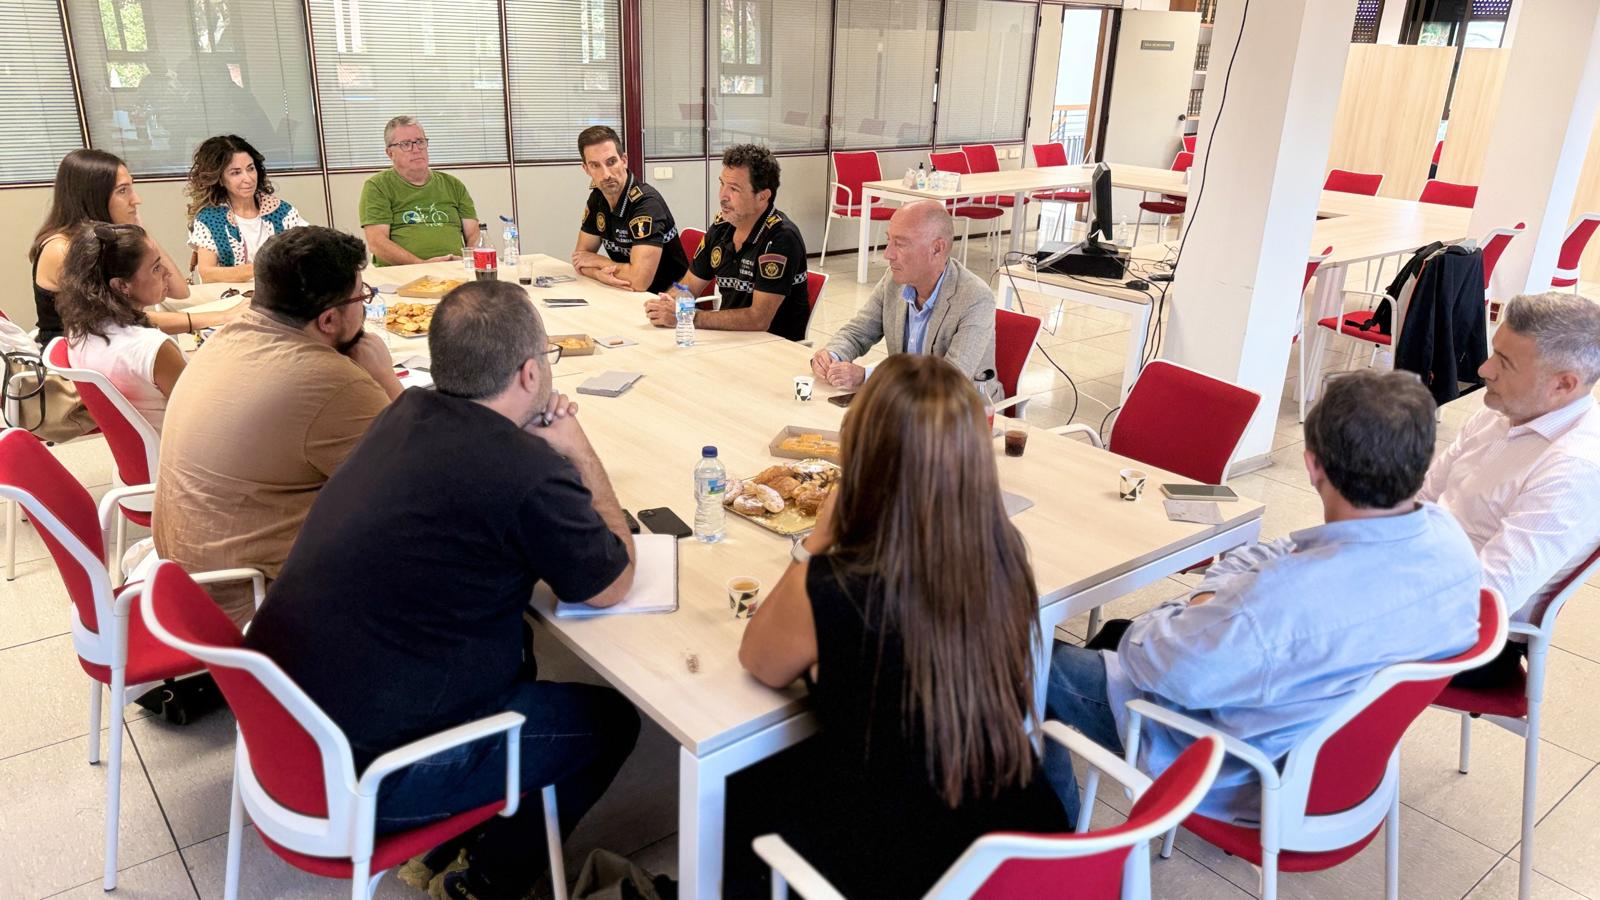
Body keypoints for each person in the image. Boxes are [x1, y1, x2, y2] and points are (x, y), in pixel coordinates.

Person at [244, 280, 639, 900]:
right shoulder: (527, 472)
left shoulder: (405, 411)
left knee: (518, 644)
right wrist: (578, 453)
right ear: (531, 374)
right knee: (611, 722)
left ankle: (463, 830)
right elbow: (612, 581)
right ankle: (488, 880)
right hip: (361, 779)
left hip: (286, 729)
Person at [1043, 370, 1482, 827]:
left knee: (1022, 662)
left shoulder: (1278, 604)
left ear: (1313, 466)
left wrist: (1197, 599)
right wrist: (1226, 588)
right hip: (1328, 764)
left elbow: (1148, 659)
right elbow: (1286, 549)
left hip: (1234, 767)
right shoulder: (1451, 546)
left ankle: (1053, 845)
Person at [727, 353, 1068, 898]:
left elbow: (759, 661)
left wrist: (815, 543)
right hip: (1021, 840)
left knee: (742, 786)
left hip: (907, 859)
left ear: (863, 456)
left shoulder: (837, 584)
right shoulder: (1006, 553)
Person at [154, 226, 402, 626]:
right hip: (256, 607)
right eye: (362, 297)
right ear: (329, 319)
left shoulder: (226, 337)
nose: (365, 307)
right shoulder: (332, 380)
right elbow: (424, 484)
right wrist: (386, 379)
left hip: (187, 584)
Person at [1419, 292, 1600, 687]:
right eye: (1494, 352)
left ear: (1563, 384)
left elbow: (1488, 599)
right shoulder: (1500, 412)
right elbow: (1423, 499)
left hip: (1471, 639)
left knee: (1298, 632)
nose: (1484, 369)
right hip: (1423, 582)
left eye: (1505, 363)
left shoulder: (1575, 468)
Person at [29, 149, 241, 346]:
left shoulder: (107, 239)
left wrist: (140, 231)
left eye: (131, 187)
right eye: (123, 190)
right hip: (76, 361)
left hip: (107, 346)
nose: (135, 199)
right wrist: (220, 316)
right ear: (93, 197)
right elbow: (122, 321)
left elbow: (178, 291)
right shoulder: (63, 249)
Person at [810, 200, 998, 399]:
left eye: (899, 244)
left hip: (961, 413)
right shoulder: (893, 281)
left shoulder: (976, 298)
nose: (887, 254)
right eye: (888, 240)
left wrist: (868, 376)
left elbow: (949, 381)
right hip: (904, 404)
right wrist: (832, 355)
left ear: (937, 248)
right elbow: (857, 333)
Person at [643, 144, 810, 341]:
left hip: (771, 348)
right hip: (729, 339)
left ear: (762, 197)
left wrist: (687, 315)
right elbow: (689, 286)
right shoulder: (722, 227)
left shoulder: (781, 238)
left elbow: (758, 319)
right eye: (722, 184)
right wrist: (668, 303)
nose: (723, 196)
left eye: (734, 189)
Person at [57, 223, 186, 431]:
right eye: (156, 268)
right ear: (121, 285)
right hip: (181, 454)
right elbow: (204, 414)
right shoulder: (153, 348)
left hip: (144, 453)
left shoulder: (79, 330)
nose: (167, 273)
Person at [571, 125, 689, 293]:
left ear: (624, 160)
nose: (606, 175)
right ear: (586, 169)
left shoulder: (647, 204)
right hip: (625, 292)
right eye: (595, 165)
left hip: (666, 301)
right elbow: (580, 259)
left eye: (611, 162)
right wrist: (600, 275)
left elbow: (639, 281)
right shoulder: (597, 198)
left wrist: (599, 262)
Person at [185, 134, 308, 283]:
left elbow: (311, 248)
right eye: (236, 173)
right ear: (220, 179)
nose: (248, 179)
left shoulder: (282, 211)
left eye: (250, 169)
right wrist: (263, 267)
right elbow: (207, 273)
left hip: (281, 298)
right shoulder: (210, 219)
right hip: (233, 300)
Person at [360, 115, 480, 267]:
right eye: (406, 144)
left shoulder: (453, 185)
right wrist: (420, 264)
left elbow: (474, 234)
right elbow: (377, 243)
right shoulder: (377, 186)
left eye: (420, 142)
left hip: (455, 270)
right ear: (390, 153)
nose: (416, 149)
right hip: (403, 274)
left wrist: (467, 261)